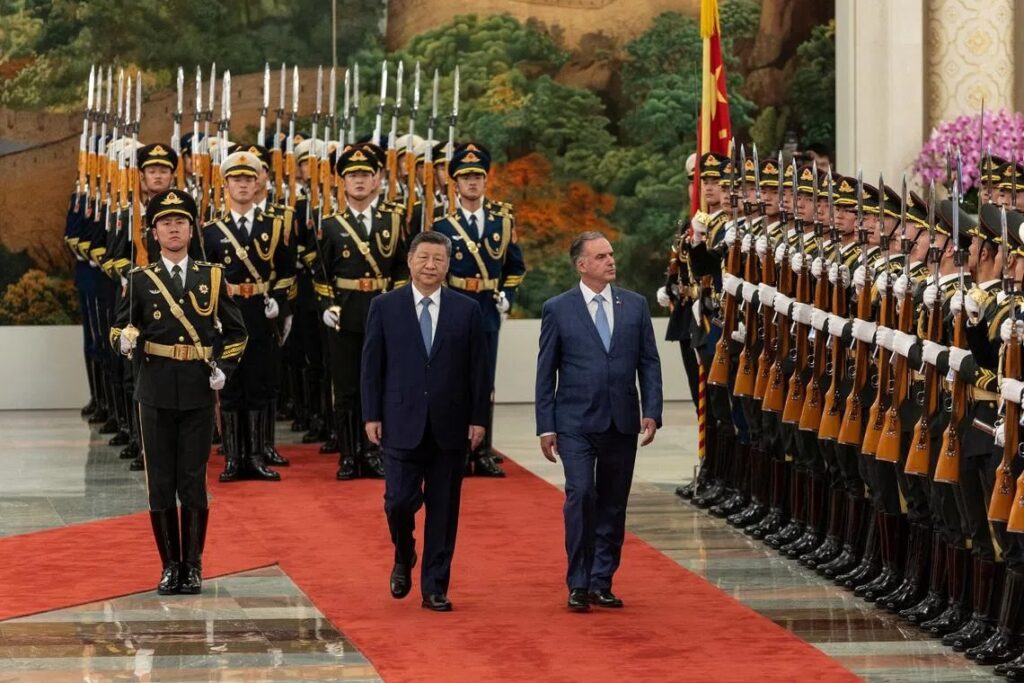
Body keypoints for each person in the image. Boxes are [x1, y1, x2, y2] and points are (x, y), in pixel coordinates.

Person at [111, 189, 247, 595]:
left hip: (196, 390)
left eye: (180, 222)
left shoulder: (212, 276)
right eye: (165, 223)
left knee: (192, 479)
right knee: (160, 482)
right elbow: (118, 328)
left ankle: (194, 565)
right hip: (153, 389)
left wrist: (224, 367)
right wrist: (125, 341)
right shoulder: (139, 280)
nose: (173, 228)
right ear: (154, 232)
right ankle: (169, 565)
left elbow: (237, 331)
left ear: (191, 229)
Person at [361, 230, 489, 612]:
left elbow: (479, 372)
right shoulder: (385, 306)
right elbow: (372, 366)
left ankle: (435, 586)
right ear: (411, 262)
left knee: (444, 510)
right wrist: (372, 414)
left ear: (449, 265)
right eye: (424, 258)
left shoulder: (467, 310)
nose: (431, 266)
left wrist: (478, 419)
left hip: (451, 425)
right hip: (400, 420)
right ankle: (404, 552)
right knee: (398, 502)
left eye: (439, 259)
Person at [535, 231, 663, 612]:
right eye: (602, 256)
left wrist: (652, 410)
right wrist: (546, 425)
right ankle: (578, 581)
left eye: (611, 254)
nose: (611, 261)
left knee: (612, 503)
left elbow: (649, 362)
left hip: (621, 421)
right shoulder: (558, 308)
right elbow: (546, 371)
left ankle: (601, 581)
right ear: (582, 264)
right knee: (580, 494)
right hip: (574, 420)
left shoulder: (635, 305)